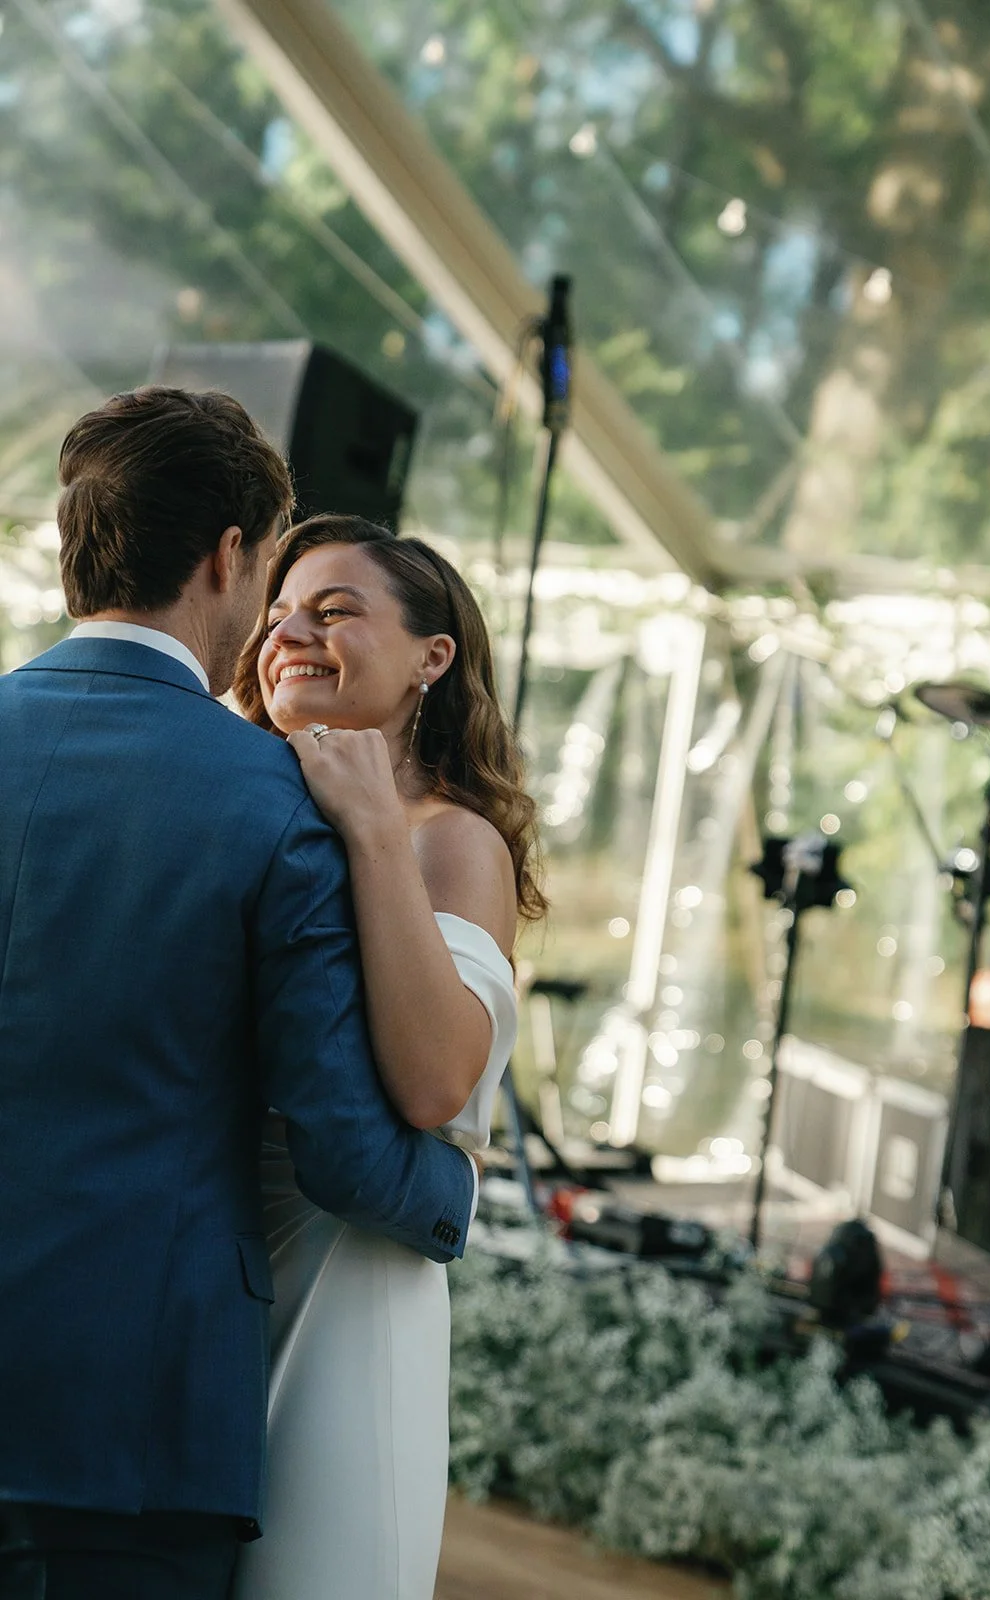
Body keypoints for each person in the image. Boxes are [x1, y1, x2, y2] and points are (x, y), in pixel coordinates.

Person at [0, 390, 476, 1600]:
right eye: (270, 572)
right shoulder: (274, 801)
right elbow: (336, 1141)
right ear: (227, 555)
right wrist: (453, 1190)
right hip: (127, 1429)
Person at [229, 514, 545, 1600]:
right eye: (275, 614)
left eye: (332, 611)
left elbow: (431, 1080)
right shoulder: (253, 809)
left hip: (347, 1283)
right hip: (215, 1267)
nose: (289, 634)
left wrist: (373, 827)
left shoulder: (451, 840)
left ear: (431, 657)